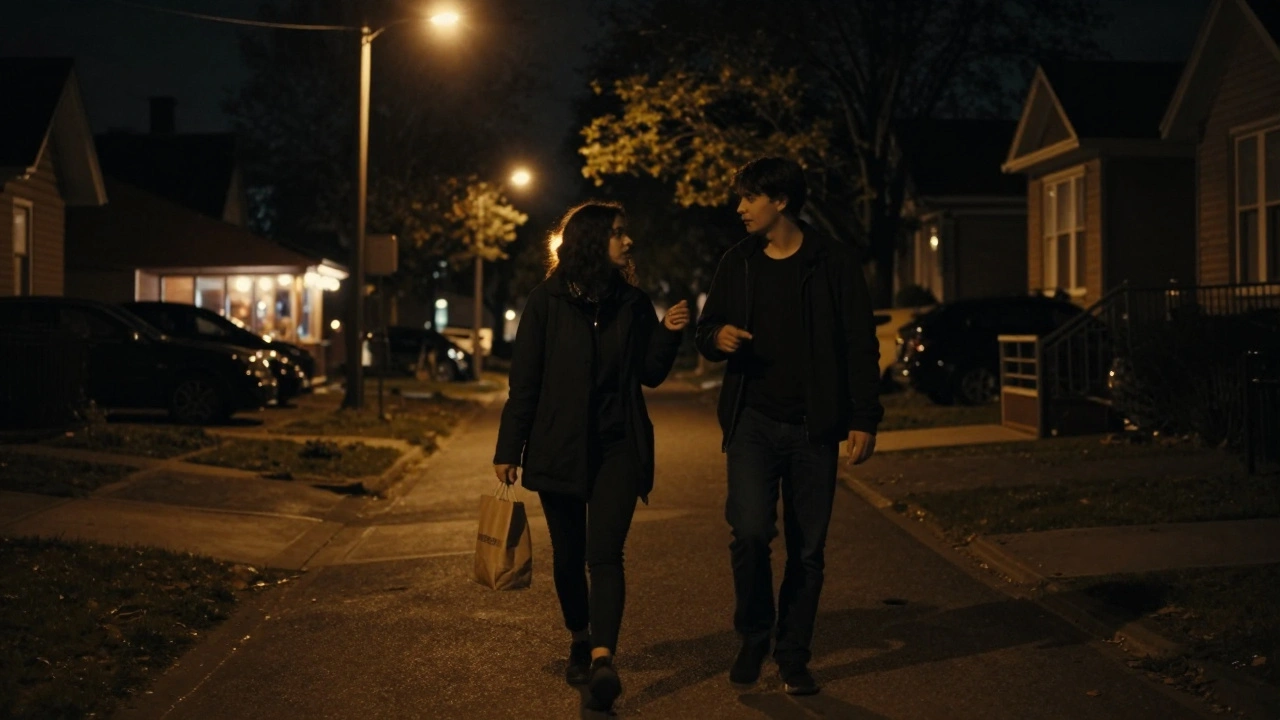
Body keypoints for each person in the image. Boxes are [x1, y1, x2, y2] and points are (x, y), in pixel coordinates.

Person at [695, 156, 883, 695]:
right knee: (750, 532)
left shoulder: (833, 262)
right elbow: (707, 330)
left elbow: (859, 344)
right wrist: (718, 337)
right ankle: (755, 634)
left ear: (779, 201)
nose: (740, 209)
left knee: (807, 550)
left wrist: (863, 417)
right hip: (752, 421)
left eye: (749, 198)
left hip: (814, 428)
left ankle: (793, 654)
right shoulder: (739, 262)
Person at [493, 201, 690, 712]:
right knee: (567, 557)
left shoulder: (631, 302)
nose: (628, 242)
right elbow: (525, 383)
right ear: (592, 240)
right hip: (558, 445)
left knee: (604, 554)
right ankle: (580, 636)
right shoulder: (546, 301)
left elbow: (649, 373)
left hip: (617, 446)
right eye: (619, 234)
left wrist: (668, 334)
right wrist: (507, 449)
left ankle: (603, 658)